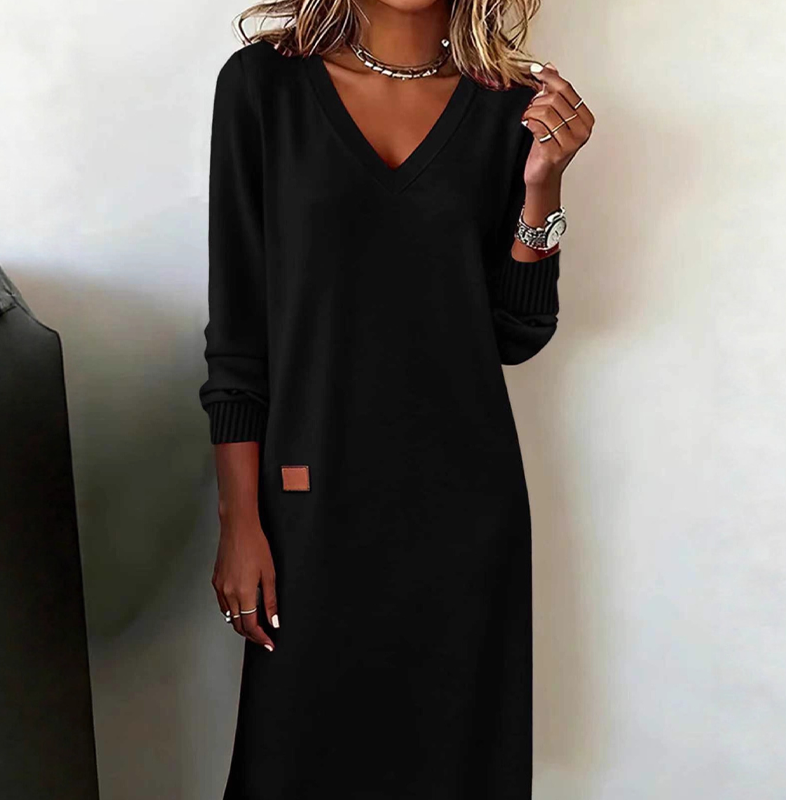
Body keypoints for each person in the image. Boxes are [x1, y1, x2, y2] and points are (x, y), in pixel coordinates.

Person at [198, 0, 593, 796]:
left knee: (452, 769)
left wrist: (542, 186)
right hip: (308, 505)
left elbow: (518, 331)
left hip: (463, 514)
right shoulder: (263, 87)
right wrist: (240, 520)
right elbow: (239, 334)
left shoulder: (508, 105)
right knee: (294, 766)